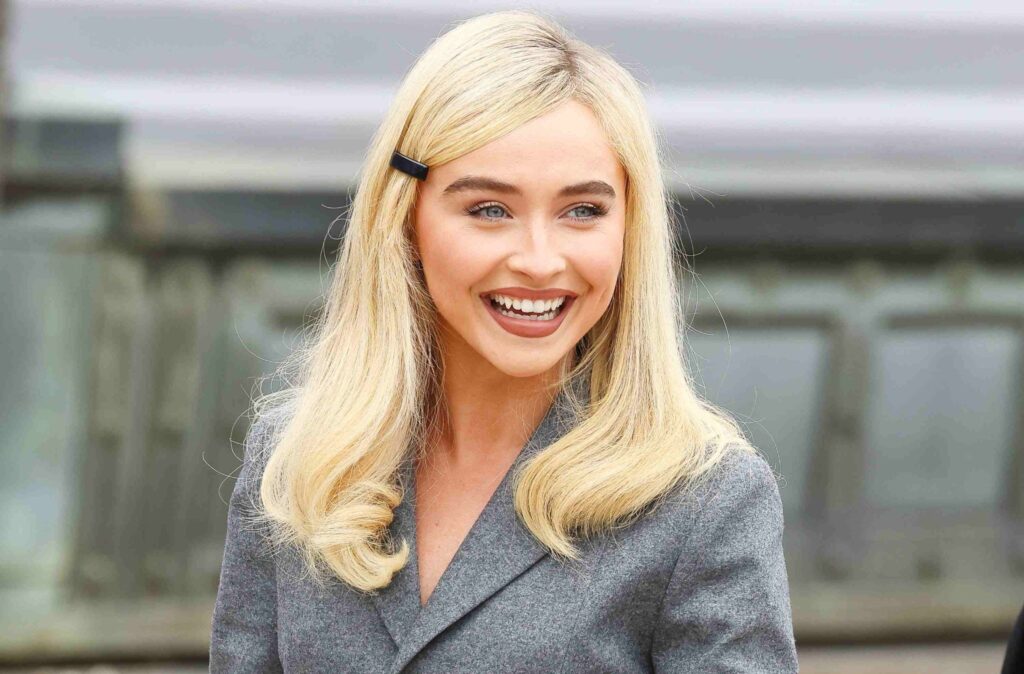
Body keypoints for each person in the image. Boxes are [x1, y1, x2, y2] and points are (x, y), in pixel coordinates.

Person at [210, 9, 797, 673]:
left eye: (583, 211)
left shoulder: (707, 501)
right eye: (489, 209)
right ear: (405, 219)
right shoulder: (297, 460)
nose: (540, 260)